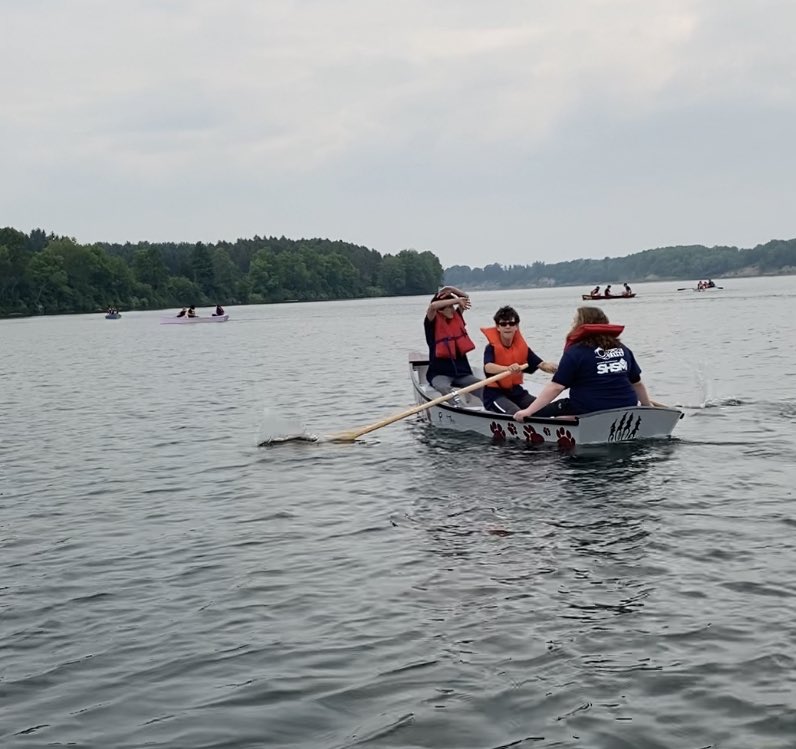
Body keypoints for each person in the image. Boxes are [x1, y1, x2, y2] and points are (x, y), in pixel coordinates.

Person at [513, 306, 653, 420]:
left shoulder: (576, 352)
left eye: (575, 321)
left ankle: (572, 421)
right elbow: (637, 383)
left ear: (581, 325)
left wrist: (528, 411)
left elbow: (556, 387)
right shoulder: (623, 349)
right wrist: (648, 407)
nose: (572, 325)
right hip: (626, 405)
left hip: (591, 409)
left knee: (537, 414)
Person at [481, 306, 557, 414]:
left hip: (516, 392)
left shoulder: (522, 348)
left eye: (511, 324)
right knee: (514, 412)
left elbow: (541, 364)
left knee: (542, 407)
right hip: (495, 395)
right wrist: (507, 368)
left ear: (516, 326)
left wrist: (556, 368)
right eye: (503, 324)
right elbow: (488, 367)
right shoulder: (491, 348)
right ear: (498, 327)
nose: (508, 327)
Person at [424, 286, 482, 404]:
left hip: (462, 373)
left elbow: (465, 297)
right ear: (440, 310)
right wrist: (456, 300)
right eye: (449, 307)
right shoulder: (431, 323)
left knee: (483, 386)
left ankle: (492, 410)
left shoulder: (457, 317)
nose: (452, 309)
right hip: (440, 374)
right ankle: (458, 408)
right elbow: (432, 306)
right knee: (444, 388)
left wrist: (450, 289)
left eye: (453, 307)